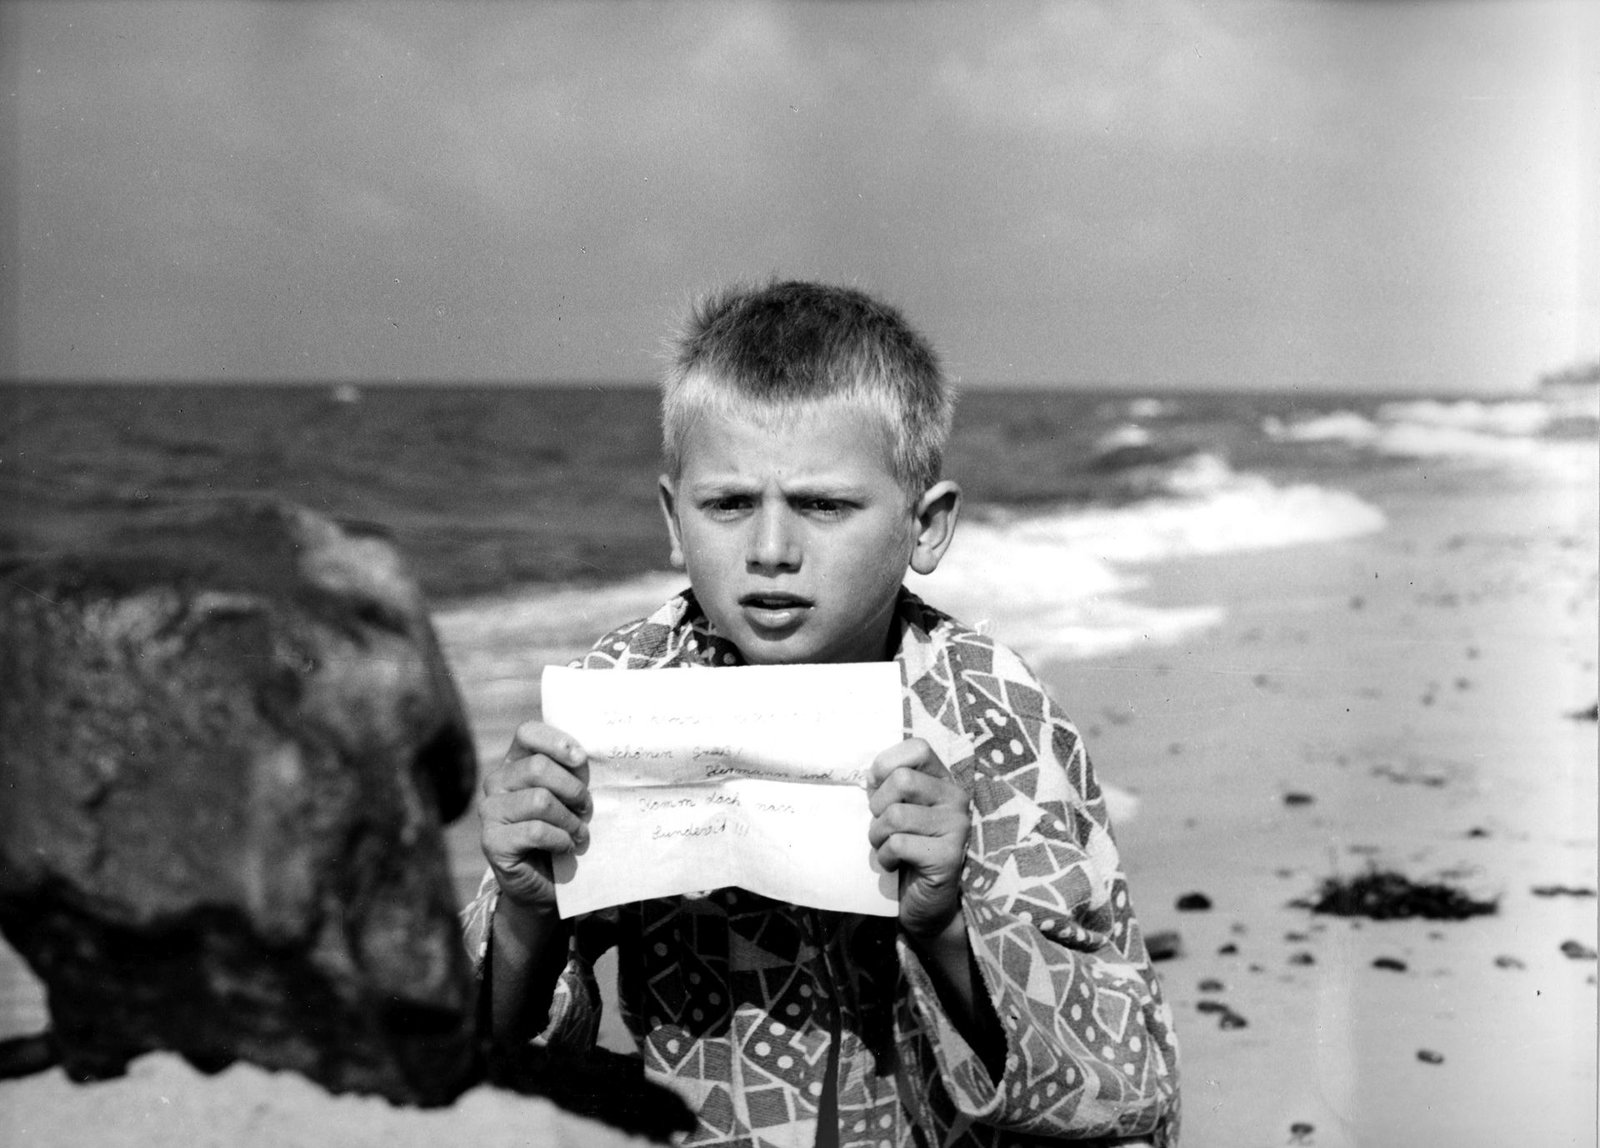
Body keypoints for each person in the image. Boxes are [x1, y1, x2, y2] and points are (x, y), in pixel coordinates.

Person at [462, 281, 1180, 1147]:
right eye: (728, 504)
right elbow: (473, 1066)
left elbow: (1126, 1077)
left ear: (926, 526)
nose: (771, 551)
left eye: (824, 505)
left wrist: (947, 924)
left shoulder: (990, 711)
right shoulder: (623, 697)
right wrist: (527, 912)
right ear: (673, 519)